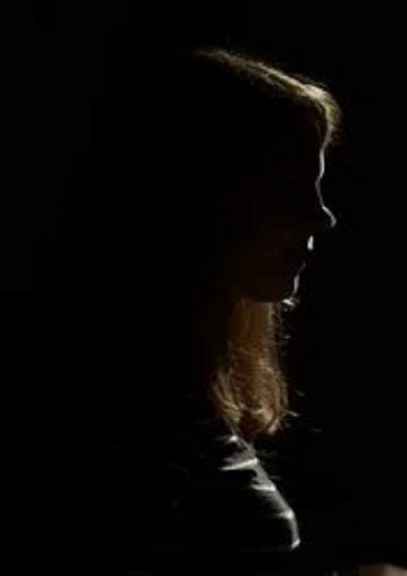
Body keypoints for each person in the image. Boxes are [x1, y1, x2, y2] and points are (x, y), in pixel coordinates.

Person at [57, 47, 341, 574]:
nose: (322, 217)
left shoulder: (179, 411)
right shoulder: (123, 432)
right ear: (206, 199)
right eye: (289, 189)